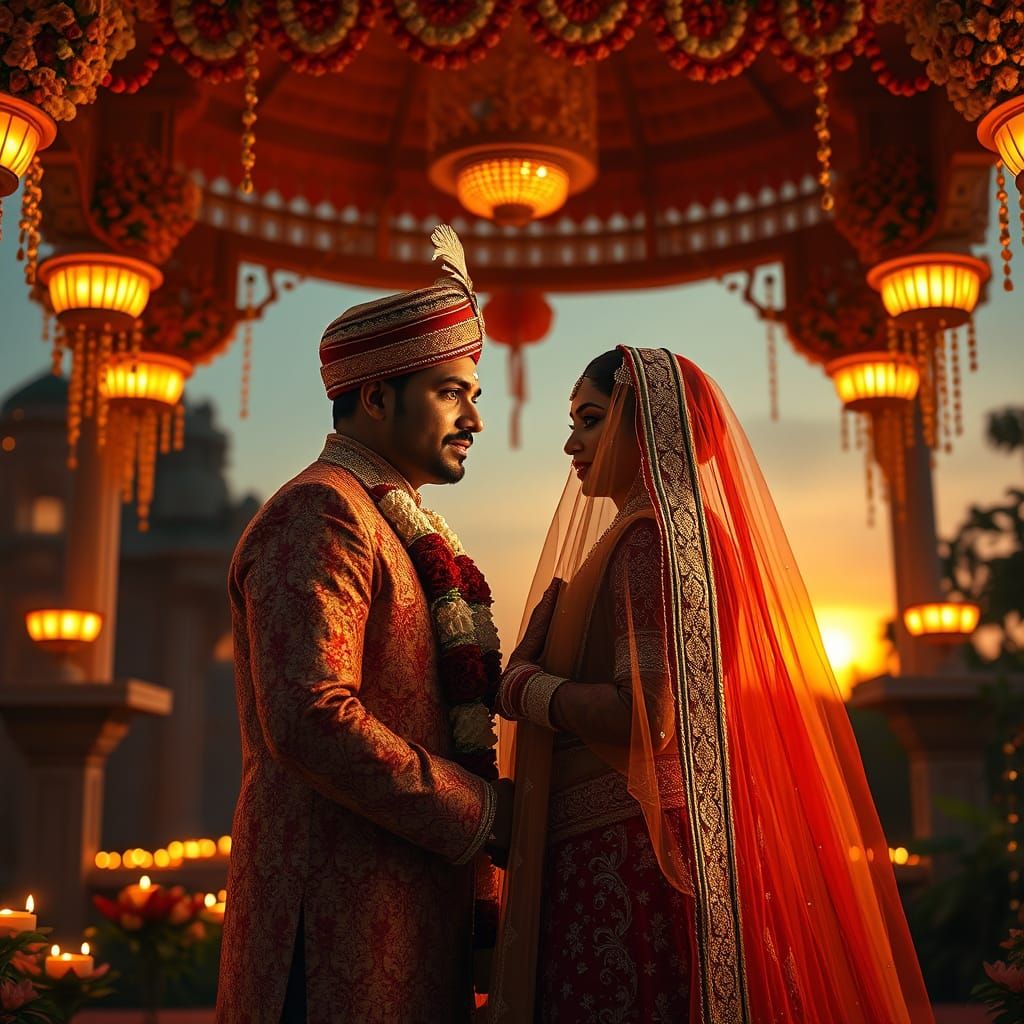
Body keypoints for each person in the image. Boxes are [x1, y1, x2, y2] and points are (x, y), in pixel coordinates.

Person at [487, 346, 934, 1023]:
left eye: (591, 419)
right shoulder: (669, 533)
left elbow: (648, 717)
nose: (571, 443)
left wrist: (524, 689)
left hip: (630, 859)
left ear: (646, 424)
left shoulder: (649, 539)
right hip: (639, 842)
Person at [216, 226, 512, 1024]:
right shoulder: (322, 512)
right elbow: (311, 716)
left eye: (474, 396)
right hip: (331, 923)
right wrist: (482, 813)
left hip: (407, 908)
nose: (474, 420)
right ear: (377, 397)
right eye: (453, 392)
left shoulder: (393, 524)